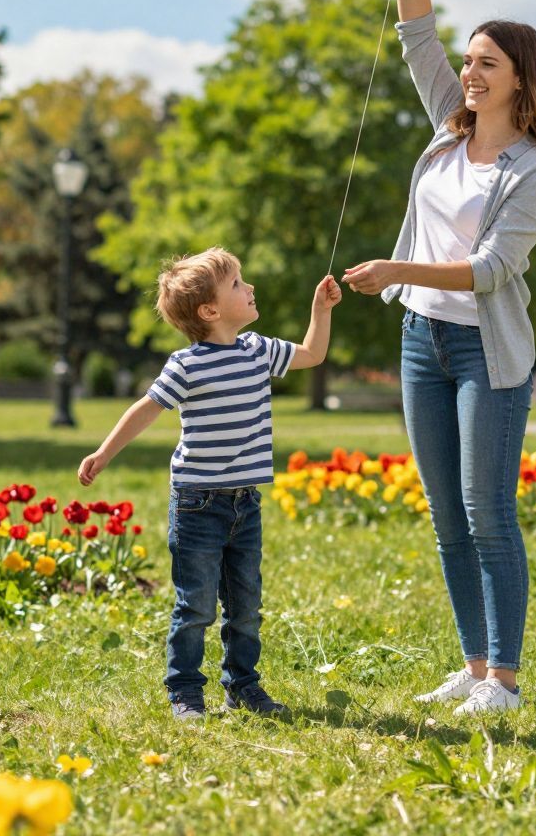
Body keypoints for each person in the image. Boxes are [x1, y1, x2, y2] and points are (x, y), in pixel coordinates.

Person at [342, 0, 536, 717]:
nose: (468, 73)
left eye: (486, 64)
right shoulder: (449, 127)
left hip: (484, 353)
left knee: (487, 514)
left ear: (520, 80)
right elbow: (415, 33)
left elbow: (490, 271)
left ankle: (505, 680)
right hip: (421, 342)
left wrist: (395, 269)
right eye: (468, 62)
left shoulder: (535, 170)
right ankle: (474, 668)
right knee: (445, 517)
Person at [79, 248, 340, 721]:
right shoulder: (186, 365)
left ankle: (242, 685)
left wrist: (319, 311)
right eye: (237, 283)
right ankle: (184, 691)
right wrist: (104, 452)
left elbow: (312, 354)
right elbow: (146, 409)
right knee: (196, 606)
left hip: (245, 503)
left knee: (246, 606)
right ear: (210, 311)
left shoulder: (258, 349)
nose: (250, 287)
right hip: (197, 504)